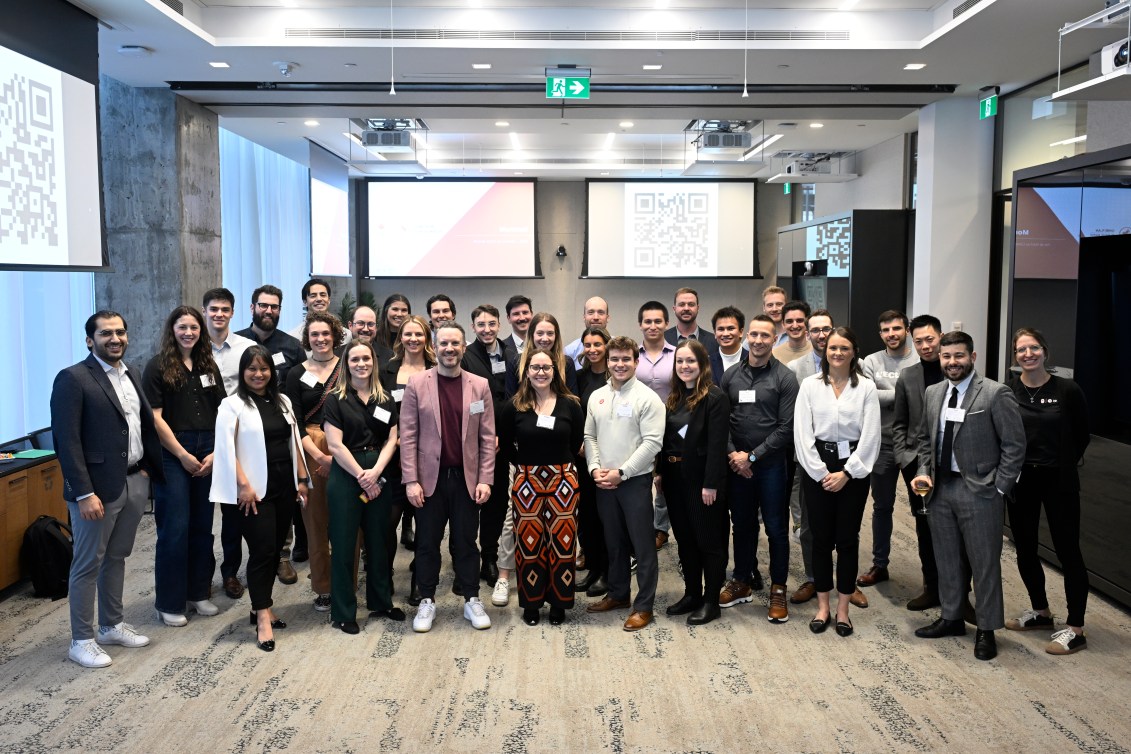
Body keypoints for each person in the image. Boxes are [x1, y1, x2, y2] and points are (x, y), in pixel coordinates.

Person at [52, 310, 164, 668]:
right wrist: (83, 493)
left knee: (116, 558)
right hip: (96, 492)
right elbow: (66, 441)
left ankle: (111, 625)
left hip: (132, 481)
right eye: (105, 334)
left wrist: (145, 469)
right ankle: (81, 639)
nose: (114, 339)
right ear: (90, 340)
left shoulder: (130, 372)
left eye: (120, 332)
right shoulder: (73, 378)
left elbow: (140, 425)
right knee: (87, 564)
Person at [911, 331, 1025, 661]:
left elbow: (1014, 446)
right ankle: (951, 617)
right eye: (946, 357)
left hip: (980, 491)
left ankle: (987, 629)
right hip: (939, 489)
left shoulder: (994, 393)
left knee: (983, 562)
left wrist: (999, 487)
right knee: (946, 558)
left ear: (972, 358)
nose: (952, 362)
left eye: (959, 356)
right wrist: (923, 470)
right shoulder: (933, 393)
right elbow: (924, 441)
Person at [210, 345, 310, 652]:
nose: (258, 374)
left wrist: (303, 479)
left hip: (284, 486)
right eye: (252, 369)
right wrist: (242, 485)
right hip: (252, 493)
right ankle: (263, 616)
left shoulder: (282, 401)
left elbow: (294, 439)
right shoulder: (231, 404)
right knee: (263, 550)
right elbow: (226, 448)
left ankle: (258, 606)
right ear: (242, 372)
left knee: (275, 550)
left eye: (264, 368)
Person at [400, 322, 496, 633]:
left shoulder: (479, 386)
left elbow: (486, 436)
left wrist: (486, 479)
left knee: (466, 542)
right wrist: (411, 480)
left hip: (467, 479)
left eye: (455, 343)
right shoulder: (417, 383)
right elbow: (409, 435)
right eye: (444, 344)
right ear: (435, 347)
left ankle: (471, 599)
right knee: (427, 543)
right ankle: (427, 600)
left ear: (464, 347)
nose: (449, 349)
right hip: (430, 481)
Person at [1003, 328, 1091, 655]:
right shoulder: (1008, 391)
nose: (1028, 354)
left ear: (1045, 351)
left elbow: (1082, 433)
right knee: (1025, 548)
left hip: (1059, 481)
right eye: (1021, 349)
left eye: (1034, 347)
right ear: (1015, 356)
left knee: (1068, 551)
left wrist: (1062, 460)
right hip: (1022, 480)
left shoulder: (1067, 390)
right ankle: (1040, 613)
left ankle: (1076, 628)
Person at [142, 306, 227, 627]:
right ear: (172, 330)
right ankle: (169, 601)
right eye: (182, 327)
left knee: (202, 527)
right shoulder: (157, 367)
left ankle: (197, 593)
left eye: (193, 327)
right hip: (172, 454)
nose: (189, 332)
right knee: (174, 529)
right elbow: (155, 419)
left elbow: (223, 411)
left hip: (208, 450)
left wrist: (216, 452)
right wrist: (182, 454)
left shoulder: (208, 366)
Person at [794, 327, 880, 638]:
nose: (837, 353)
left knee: (846, 539)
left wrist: (848, 473)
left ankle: (843, 609)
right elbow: (802, 434)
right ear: (824, 350)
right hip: (817, 466)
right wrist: (820, 473)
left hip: (853, 470)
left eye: (844, 348)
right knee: (820, 539)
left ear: (854, 352)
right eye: (832, 348)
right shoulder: (810, 386)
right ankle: (823, 607)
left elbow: (872, 436)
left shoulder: (866, 388)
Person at [496, 349, 585, 626]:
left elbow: (576, 443)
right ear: (526, 372)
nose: (541, 372)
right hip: (527, 482)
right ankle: (532, 604)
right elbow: (507, 445)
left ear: (555, 371)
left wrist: (556, 467)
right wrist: (527, 465)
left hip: (564, 482)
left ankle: (559, 603)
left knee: (562, 542)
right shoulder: (513, 406)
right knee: (529, 542)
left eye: (546, 367)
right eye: (535, 367)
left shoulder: (571, 404)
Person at [322, 339, 406, 633]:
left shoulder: (385, 398)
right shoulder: (335, 399)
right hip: (348, 476)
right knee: (344, 545)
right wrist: (362, 475)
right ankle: (344, 611)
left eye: (366, 359)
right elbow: (334, 444)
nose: (361, 364)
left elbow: (392, 439)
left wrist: (377, 472)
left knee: (379, 542)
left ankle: (381, 601)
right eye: (355, 359)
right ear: (346, 364)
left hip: (379, 474)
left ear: (374, 362)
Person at [719, 315, 799, 623]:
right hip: (737, 466)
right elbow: (721, 420)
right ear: (745, 336)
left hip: (771, 467)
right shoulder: (730, 376)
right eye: (754, 334)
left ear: (773, 338)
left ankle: (778, 587)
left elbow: (786, 428)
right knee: (742, 525)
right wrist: (733, 455)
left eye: (765, 335)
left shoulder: (785, 377)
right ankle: (741, 580)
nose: (758, 340)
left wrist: (751, 457)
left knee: (776, 529)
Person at [892, 314, 973, 615]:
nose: (925, 346)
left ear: (940, 337)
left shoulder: (958, 372)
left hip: (956, 465)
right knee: (926, 528)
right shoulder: (908, 376)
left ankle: (962, 595)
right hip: (918, 466)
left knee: (960, 530)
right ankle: (933, 588)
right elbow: (900, 423)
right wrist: (904, 458)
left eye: (930, 339)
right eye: (919, 341)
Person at [583, 336, 665, 632]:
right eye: (614, 359)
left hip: (634, 482)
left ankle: (643, 606)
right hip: (603, 482)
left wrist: (623, 471)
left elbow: (653, 443)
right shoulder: (597, 396)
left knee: (642, 546)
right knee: (613, 541)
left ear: (636, 361)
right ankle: (618, 594)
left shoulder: (648, 398)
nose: (619, 364)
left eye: (625, 359)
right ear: (607, 361)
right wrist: (594, 469)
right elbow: (589, 437)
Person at [235, 284, 306, 586]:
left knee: (281, 503)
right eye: (263, 305)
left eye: (274, 307)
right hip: (247, 433)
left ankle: (283, 557)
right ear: (252, 308)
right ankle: (234, 570)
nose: (269, 311)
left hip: (279, 431)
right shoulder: (237, 343)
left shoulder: (291, 346)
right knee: (243, 511)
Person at [660, 340, 730, 625]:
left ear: (702, 365)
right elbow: (668, 441)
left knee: (709, 541)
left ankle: (711, 600)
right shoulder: (674, 398)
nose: (685, 366)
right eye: (680, 362)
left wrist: (711, 484)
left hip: (702, 482)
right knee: (685, 541)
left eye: (690, 361)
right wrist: (661, 473)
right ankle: (692, 594)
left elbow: (716, 446)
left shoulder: (714, 397)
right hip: (675, 479)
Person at [283, 312, 346, 613]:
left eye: (326, 333)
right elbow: (293, 420)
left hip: (347, 446)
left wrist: (338, 452)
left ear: (335, 335)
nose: (320, 339)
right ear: (307, 338)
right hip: (309, 448)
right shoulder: (295, 373)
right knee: (316, 521)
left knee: (348, 522)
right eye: (314, 334)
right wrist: (319, 455)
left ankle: (346, 581)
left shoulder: (348, 366)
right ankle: (323, 586)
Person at [857, 310, 918, 588]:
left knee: (923, 509)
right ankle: (880, 565)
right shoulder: (871, 360)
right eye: (885, 330)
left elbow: (929, 394)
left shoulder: (919, 358)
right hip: (882, 445)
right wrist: (907, 392)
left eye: (896, 328)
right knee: (882, 507)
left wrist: (889, 395)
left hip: (916, 445)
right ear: (880, 334)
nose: (891, 334)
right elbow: (868, 395)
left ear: (906, 329)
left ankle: (933, 570)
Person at [378, 315, 436, 599]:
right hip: (391, 457)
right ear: (400, 337)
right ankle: (384, 575)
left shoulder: (436, 369)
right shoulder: (386, 370)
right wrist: (393, 436)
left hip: (427, 458)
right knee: (388, 521)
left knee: (426, 523)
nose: (413, 339)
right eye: (408, 334)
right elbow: (375, 408)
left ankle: (419, 578)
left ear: (427, 338)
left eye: (419, 334)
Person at [203, 288, 255, 600]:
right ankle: (212, 575)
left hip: (242, 440)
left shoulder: (247, 348)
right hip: (203, 437)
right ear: (205, 311)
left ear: (233, 312)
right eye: (213, 309)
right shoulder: (194, 350)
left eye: (225, 309)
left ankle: (237, 572)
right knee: (206, 516)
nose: (219, 314)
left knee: (237, 513)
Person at [461, 304, 518, 586]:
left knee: (496, 502)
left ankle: (490, 557)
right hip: (473, 441)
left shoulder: (511, 354)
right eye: (481, 324)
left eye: (492, 324)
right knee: (470, 502)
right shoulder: (465, 356)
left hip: (503, 441)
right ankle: (465, 561)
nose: (487, 329)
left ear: (499, 325)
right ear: (473, 327)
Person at [573, 326, 611, 597]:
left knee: (607, 518)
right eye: (587, 344)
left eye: (598, 343)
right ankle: (594, 569)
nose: (593, 349)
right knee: (586, 517)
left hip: (610, 457)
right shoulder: (579, 377)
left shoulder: (616, 376)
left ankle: (608, 572)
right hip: (583, 457)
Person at [635, 300, 676, 550]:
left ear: (666, 324)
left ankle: (661, 529)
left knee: (664, 481)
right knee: (638, 479)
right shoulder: (632, 355)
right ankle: (639, 526)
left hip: (669, 427)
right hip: (636, 427)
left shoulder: (677, 354)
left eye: (658, 321)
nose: (653, 326)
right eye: (647, 321)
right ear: (640, 324)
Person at [508, 312, 578, 395]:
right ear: (532, 335)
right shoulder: (516, 362)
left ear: (556, 336)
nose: (545, 338)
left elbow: (573, 401)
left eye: (550, 333)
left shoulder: (567, 363)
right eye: (540, 333)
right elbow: (510, 401)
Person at [287, 278, 343, 345]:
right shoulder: (293, 338)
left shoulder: (345, 335)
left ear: (329, 300)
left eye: (323, 295)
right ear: (305, 302)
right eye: (313, 296)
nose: (319, 299)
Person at [665, 287, 718, 353]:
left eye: (691, 304)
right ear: (674, 309)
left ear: (698, 308)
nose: (686, 308)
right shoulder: (663, 339)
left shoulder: (714, 340)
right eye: (682, 304)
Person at [564, 296, 611, 367]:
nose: (596, 317)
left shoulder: (620, 347)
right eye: (591, 312)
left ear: (607, 318)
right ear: (584, 317)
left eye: (601, 312)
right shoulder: (570, 351)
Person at [709, 306, 747, 384]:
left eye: (730, 328)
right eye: (721, 329)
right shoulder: (707, 363)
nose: (725, 334)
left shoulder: (753, 360)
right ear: (715, 333)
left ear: (741, 332)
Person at [771, 300, 812, 366]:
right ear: (783, 324)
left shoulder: (817, 352)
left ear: (808, 323)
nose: (795, 326)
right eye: (789, 321)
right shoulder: (774, 355)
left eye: (799, 321)